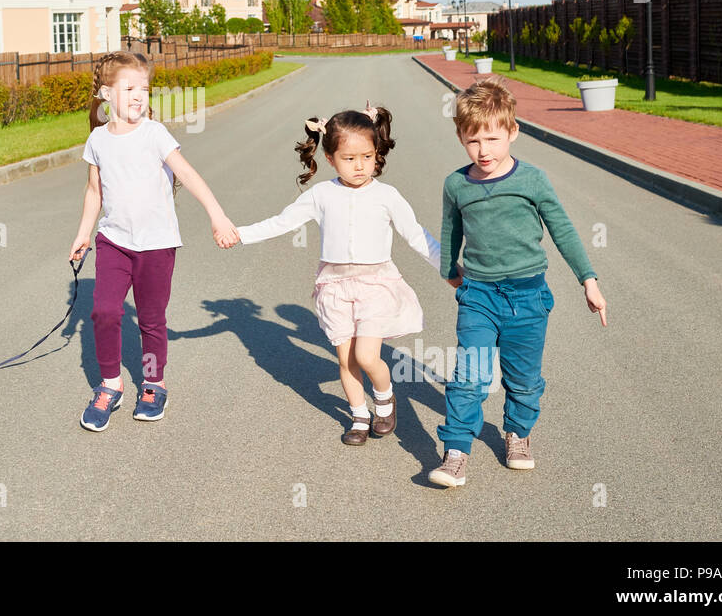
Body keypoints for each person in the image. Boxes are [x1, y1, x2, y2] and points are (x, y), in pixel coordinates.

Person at [226, 102, 443, 445]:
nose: (360, 166)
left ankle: (384, 399)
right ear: (330, 158)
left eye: (367, 157)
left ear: (376, 154)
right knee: (346, 360)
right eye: (349, 158)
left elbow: (417, 236)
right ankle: (359, 416)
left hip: (375, 285)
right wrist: (241, 233)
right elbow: (283, 222)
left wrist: (448, 269)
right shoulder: (322, 194)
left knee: (366, 356)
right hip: (335, 286)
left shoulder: (387, 195)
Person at [429, 76, 607, 488]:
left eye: (492, 139)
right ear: (460, 137)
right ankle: (455, 451)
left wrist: (589, 280)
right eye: (473, 141)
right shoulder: (457, 184)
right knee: (468, 376)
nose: (483, 150)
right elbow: (450, 229)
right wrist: (449, 270)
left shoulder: (532, 181)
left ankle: (518, 433)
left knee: (523, 379)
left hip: (528, 297)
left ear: (513, 132)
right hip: (479, 297)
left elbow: (563, 230)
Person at [70, 51, 239, 431]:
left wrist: (218, 216)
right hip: (114, 241)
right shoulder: (98, 139)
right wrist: (83, 233)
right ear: (105, 94)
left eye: (143, 89)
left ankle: (153, 382)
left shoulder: (154, 134)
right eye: (128, 88)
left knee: (150, 319)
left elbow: (190, 176)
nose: (138, 96)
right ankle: (110, 384)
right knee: (105, 312)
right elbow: (94, 191)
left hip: (157, 244)